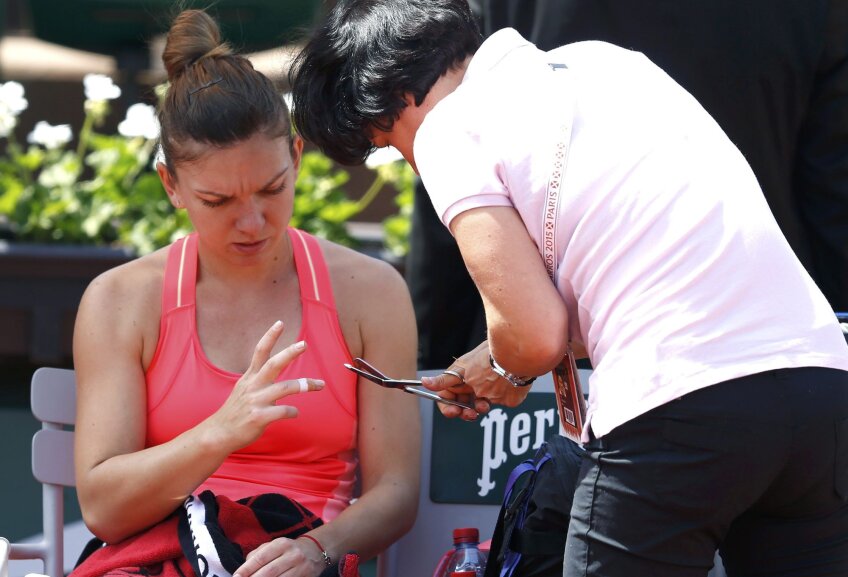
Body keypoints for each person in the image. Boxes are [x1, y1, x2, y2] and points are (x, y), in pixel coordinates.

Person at [288, 1, 848, 576]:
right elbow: (631, 277)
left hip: (678, 404)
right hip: (818, 388)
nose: (405, 161)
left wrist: (507, 369)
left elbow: (534, 336)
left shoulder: (448, 128)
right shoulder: (606, 63)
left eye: (385, 142)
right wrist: (496, 356)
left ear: (396, 98)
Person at [71, 9, 420, 577]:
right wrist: (220, 432)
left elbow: (396, 491)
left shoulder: (370, 291)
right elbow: (104, 510)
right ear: (172, 187)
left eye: (271, 188)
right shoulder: (120, 300)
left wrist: (315, 550)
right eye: (219, 202)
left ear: (297, 159)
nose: (253, 222)